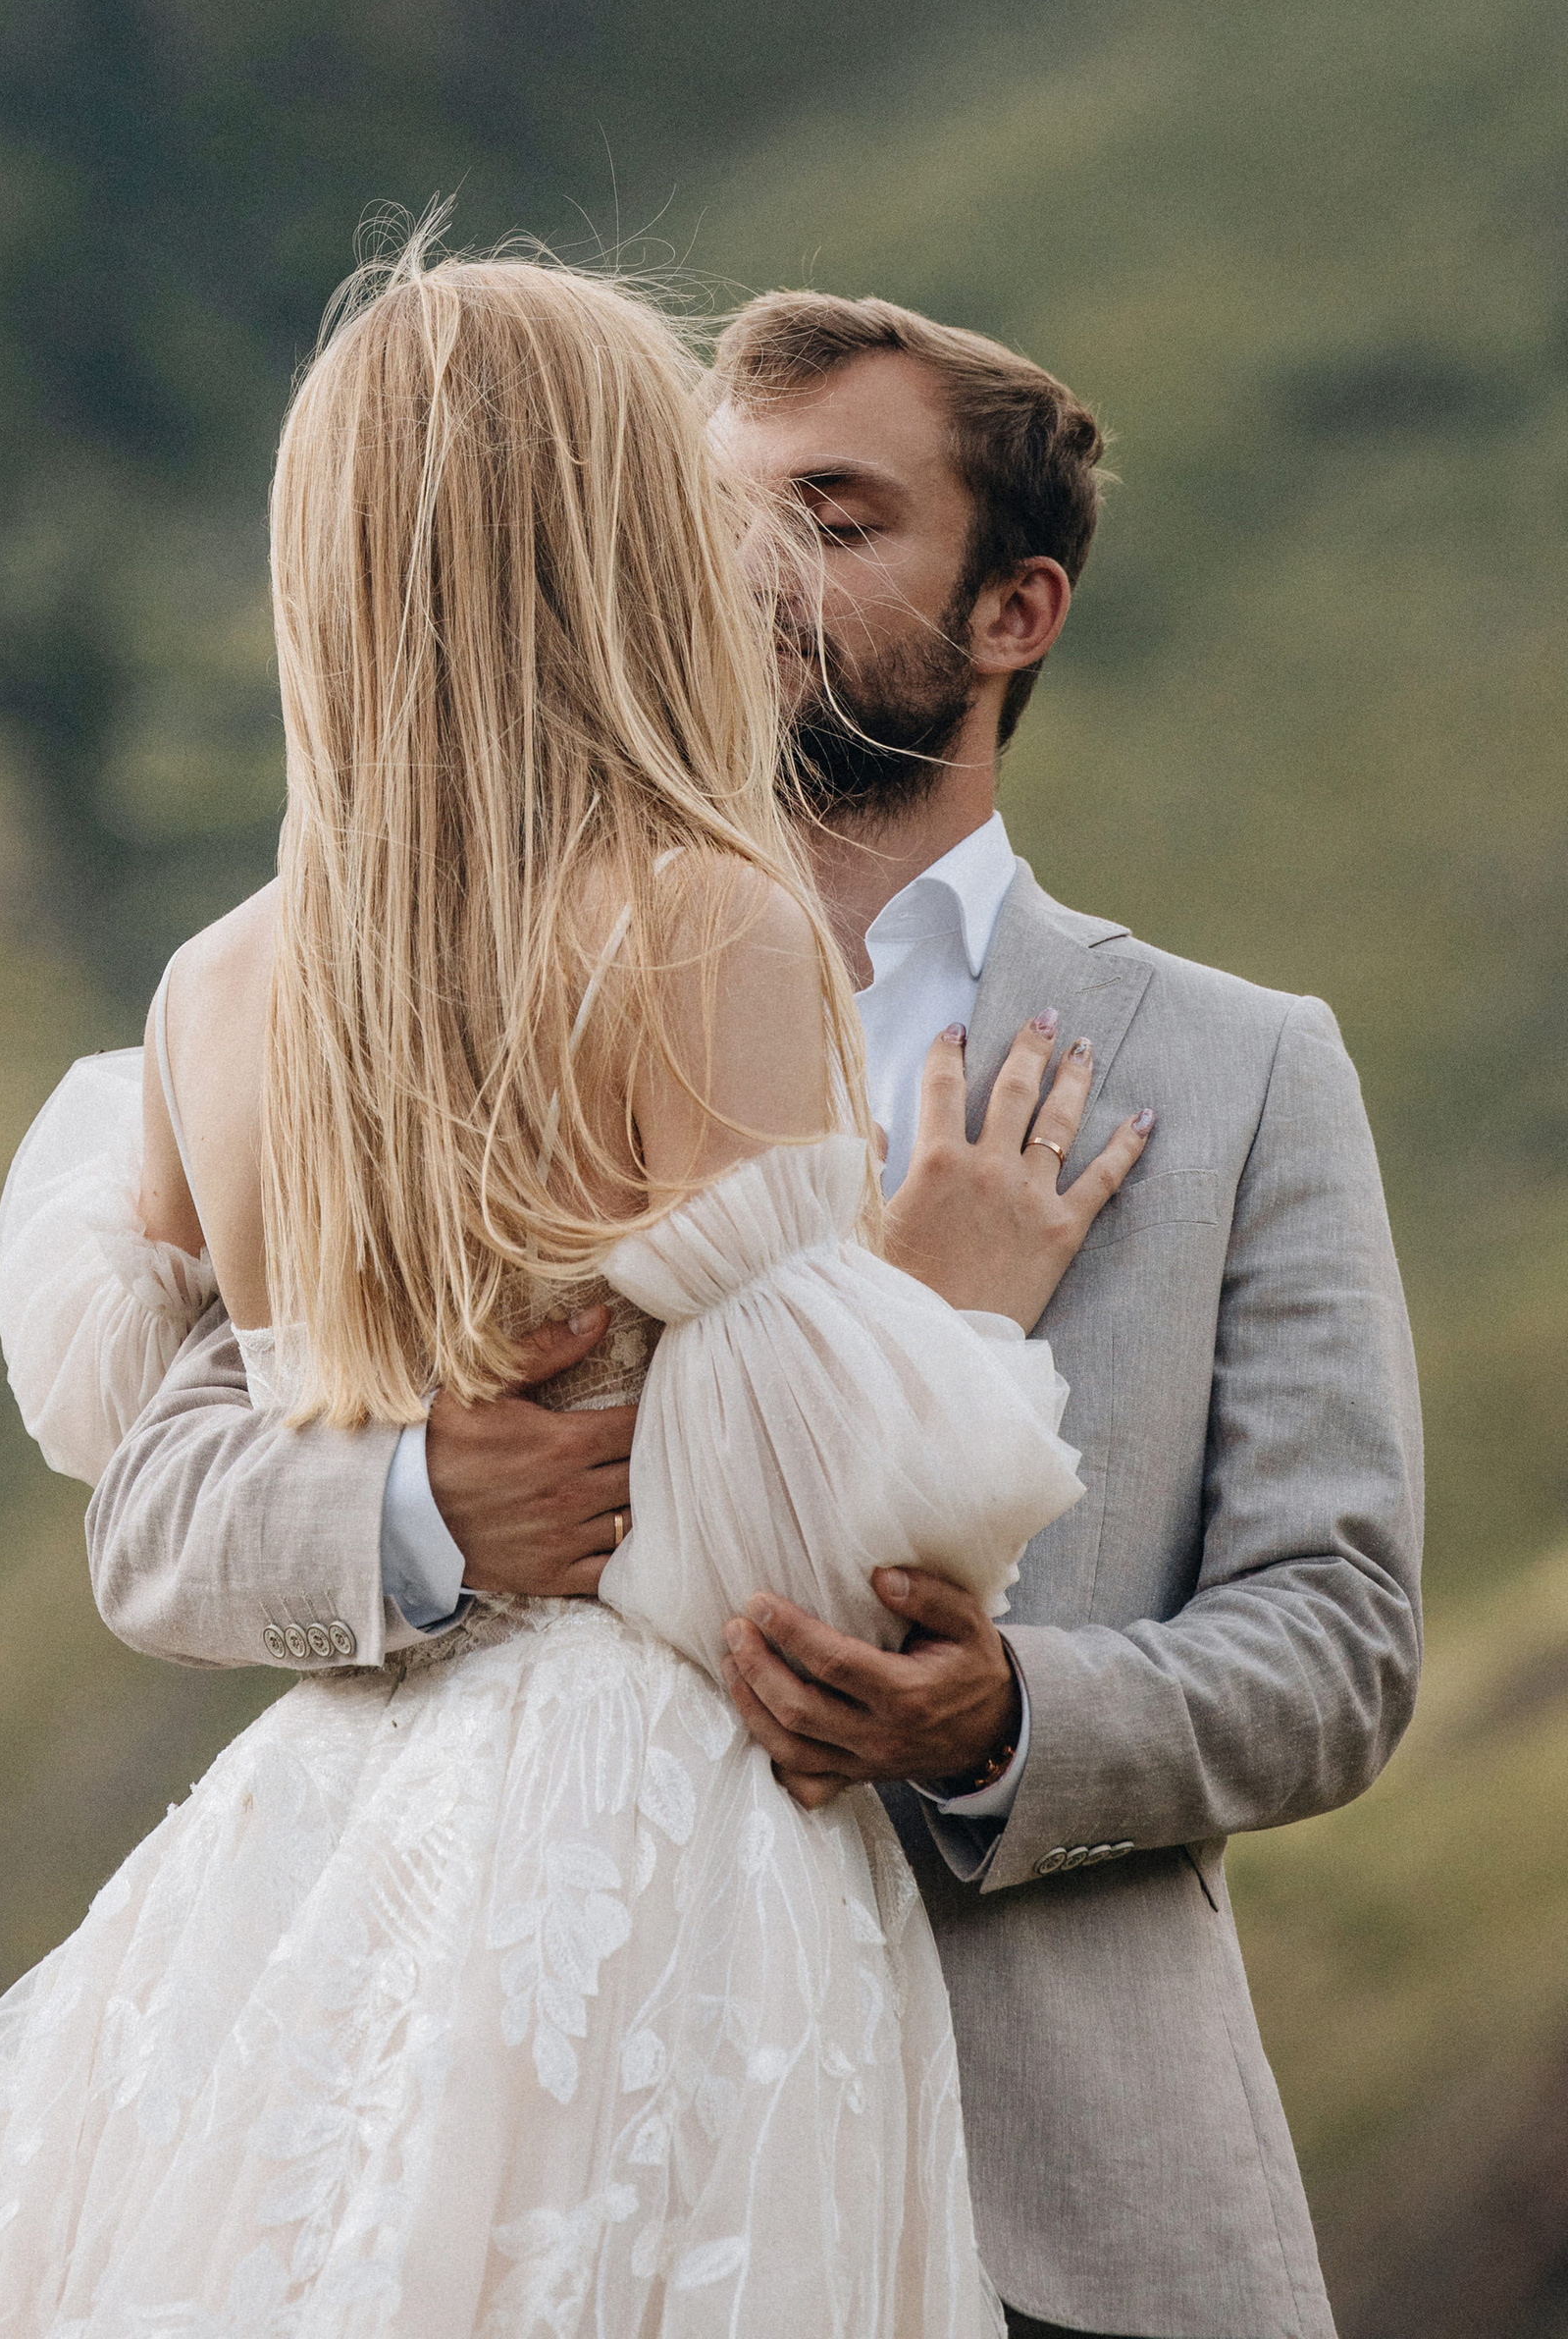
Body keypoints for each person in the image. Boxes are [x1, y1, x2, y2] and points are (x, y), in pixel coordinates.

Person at [86, 292, 1424, 2339]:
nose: (748, 568)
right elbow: (154, 1509)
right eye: (714, 508)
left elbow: (1334, 1644)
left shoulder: (1238, 1070)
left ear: (1011, 610)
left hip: (1056, 2207)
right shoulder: (394, 985)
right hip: (561, 2158)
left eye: (832, 511)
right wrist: (424, 1510)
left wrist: (1004, 1719)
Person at [0, 247, 1125, 2336]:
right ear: (618, 533)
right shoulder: (702, 921)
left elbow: (145, 1442)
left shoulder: (215, 986)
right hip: (625, 1850)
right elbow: (782, 1564)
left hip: (318, 1836)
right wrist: (944, 1304)